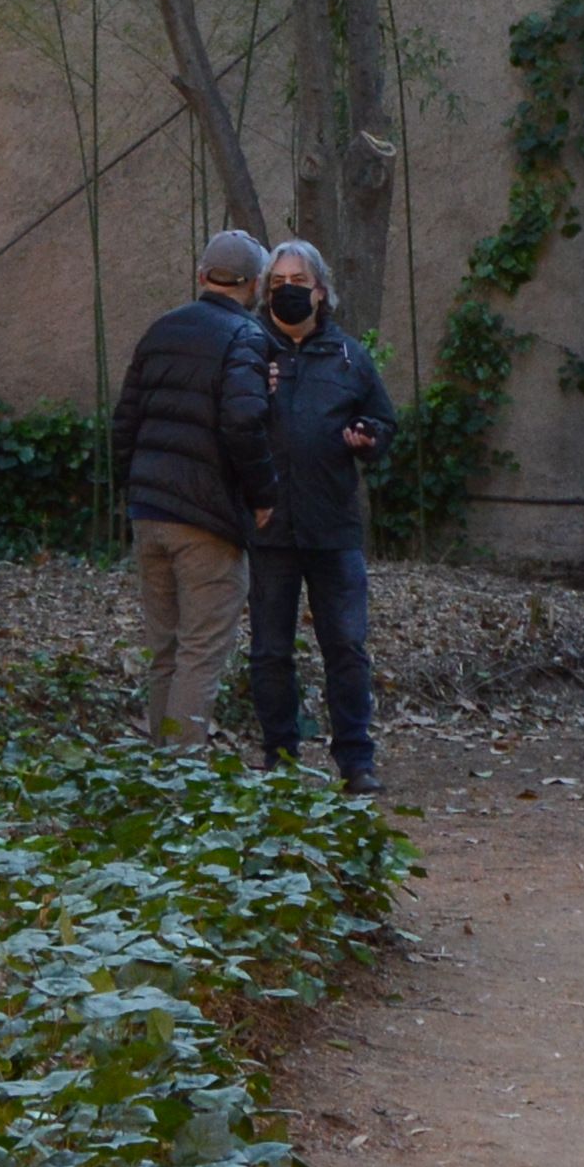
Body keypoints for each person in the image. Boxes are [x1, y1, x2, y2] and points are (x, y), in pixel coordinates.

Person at [221, 239, 392, 793]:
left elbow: (383, 422)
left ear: (321, 291)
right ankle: (281, 759)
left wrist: (367, 438)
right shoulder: (247, 349)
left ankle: (356, 762)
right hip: (269, 525)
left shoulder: (349, 357)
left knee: (345, 645)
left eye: (299, 281)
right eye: (277, 282)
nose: (287, 290)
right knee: (270, 650)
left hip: (332, 525)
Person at [111, 232, 271, 744]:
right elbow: (245, 422)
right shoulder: (245, 339)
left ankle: (160, 771)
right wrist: (263, 494)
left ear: (201, 275)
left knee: (165, 651)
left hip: (150, 512)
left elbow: (124, 425)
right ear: (257, 285)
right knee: (201, 653)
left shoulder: (160, 330)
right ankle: (182, 785)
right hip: (208, 520)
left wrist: (131, 493)